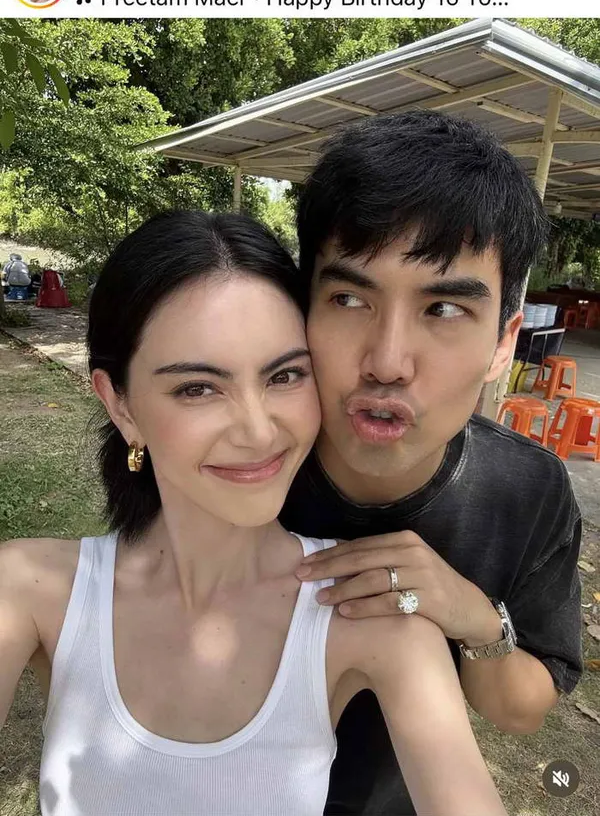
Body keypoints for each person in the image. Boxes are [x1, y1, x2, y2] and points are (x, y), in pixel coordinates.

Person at [0, 211, 507, 816]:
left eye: (284, 376)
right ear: (121, 405)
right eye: (197, 388)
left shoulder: (371, 616)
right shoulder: (28, 591)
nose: (259, 430)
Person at [279, 110, 584, 815]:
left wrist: (472, 618)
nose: (387, 361)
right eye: (349, 298)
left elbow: (522, 710)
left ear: (504, 343)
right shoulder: (240, 463)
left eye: (444, 309)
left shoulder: (527, 491)